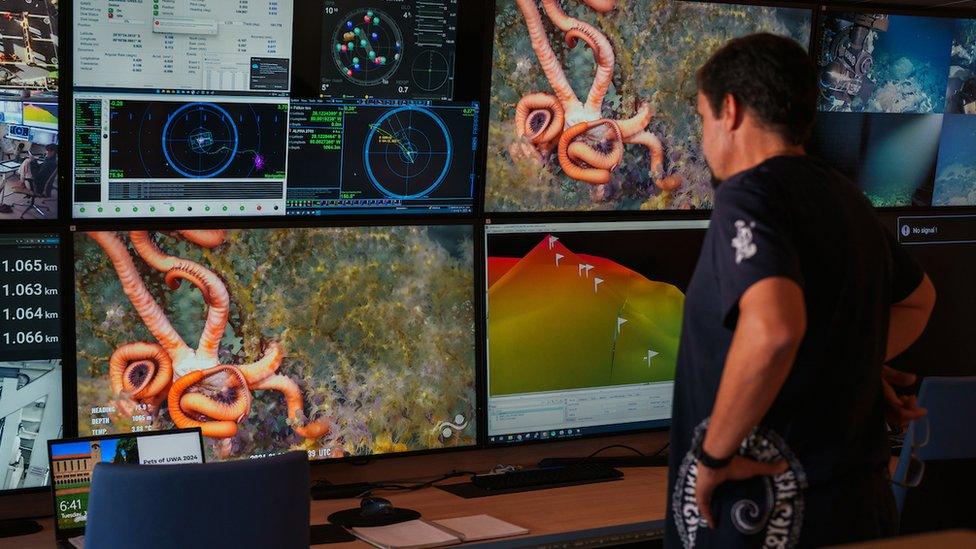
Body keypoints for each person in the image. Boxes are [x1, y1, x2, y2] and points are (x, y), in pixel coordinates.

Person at [665, 33, 936, 548]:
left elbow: (774, 328)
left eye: (703, 119)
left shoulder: (748, 193)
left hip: (766, 515)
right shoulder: (846, 196)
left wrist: (714, 456)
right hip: (854, 507)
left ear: (731, 109)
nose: (704, 140)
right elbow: (921, 299)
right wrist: (853, 363)